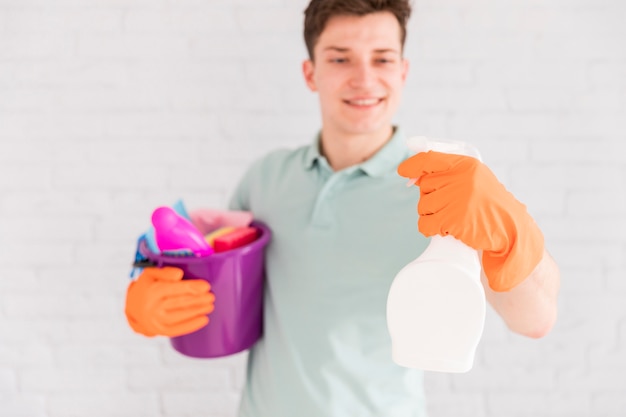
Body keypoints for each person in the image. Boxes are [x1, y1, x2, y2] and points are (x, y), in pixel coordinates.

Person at [124, 0, 561, 416]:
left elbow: (535, 320)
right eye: (339, 59)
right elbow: (220, 301)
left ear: (404, 72)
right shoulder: (265, 180)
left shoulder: (445, 192)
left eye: (383, 59)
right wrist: (145, 288)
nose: (365, 78)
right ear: (310, 73)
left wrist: (510, 229)